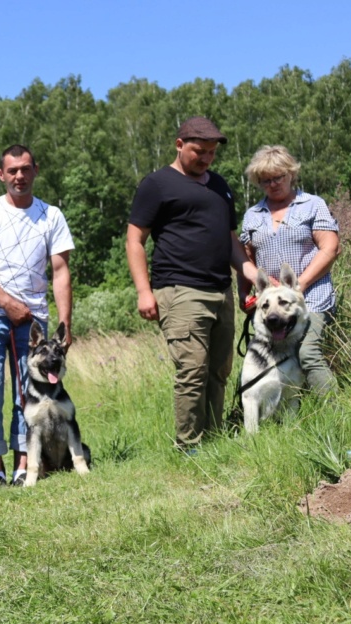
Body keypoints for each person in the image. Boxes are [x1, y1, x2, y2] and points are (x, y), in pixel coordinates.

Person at [125, 117, 259, 450]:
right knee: (192, 370)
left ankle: (213, 442)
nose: (206, 159)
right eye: (200, 151)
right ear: (179, 144)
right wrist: (144, 292)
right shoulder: (157, 185)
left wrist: (251, 273)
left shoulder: (221, 186)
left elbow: (230, 240)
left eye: (212, 153)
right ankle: (189, 446)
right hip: (179, 289)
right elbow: (134, 241)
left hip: (221, 290)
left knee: (219, 370)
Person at [0, 145, 76, 487]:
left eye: (25, 169)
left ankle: (24, 465)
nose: (19, 177)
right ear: (1, 175)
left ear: (35, 171)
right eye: (12, 171)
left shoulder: (51, 215)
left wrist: (65, 325)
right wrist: (6, 302)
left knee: (28, 395)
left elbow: (60, 271)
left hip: (34, 321)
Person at [241, 145, 340, 394]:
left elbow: (330, 248)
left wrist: (300, 285)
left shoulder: (312, 205)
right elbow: (246, 260)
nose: (273, 184)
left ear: (291, 174)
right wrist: (244, 295)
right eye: (266, 180)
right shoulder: (252, 215)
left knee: (307, 353)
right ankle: (281, 417)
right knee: (271, 360)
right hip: (271, 305)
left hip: (313, 297)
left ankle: (335, 415)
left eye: (278, 177)